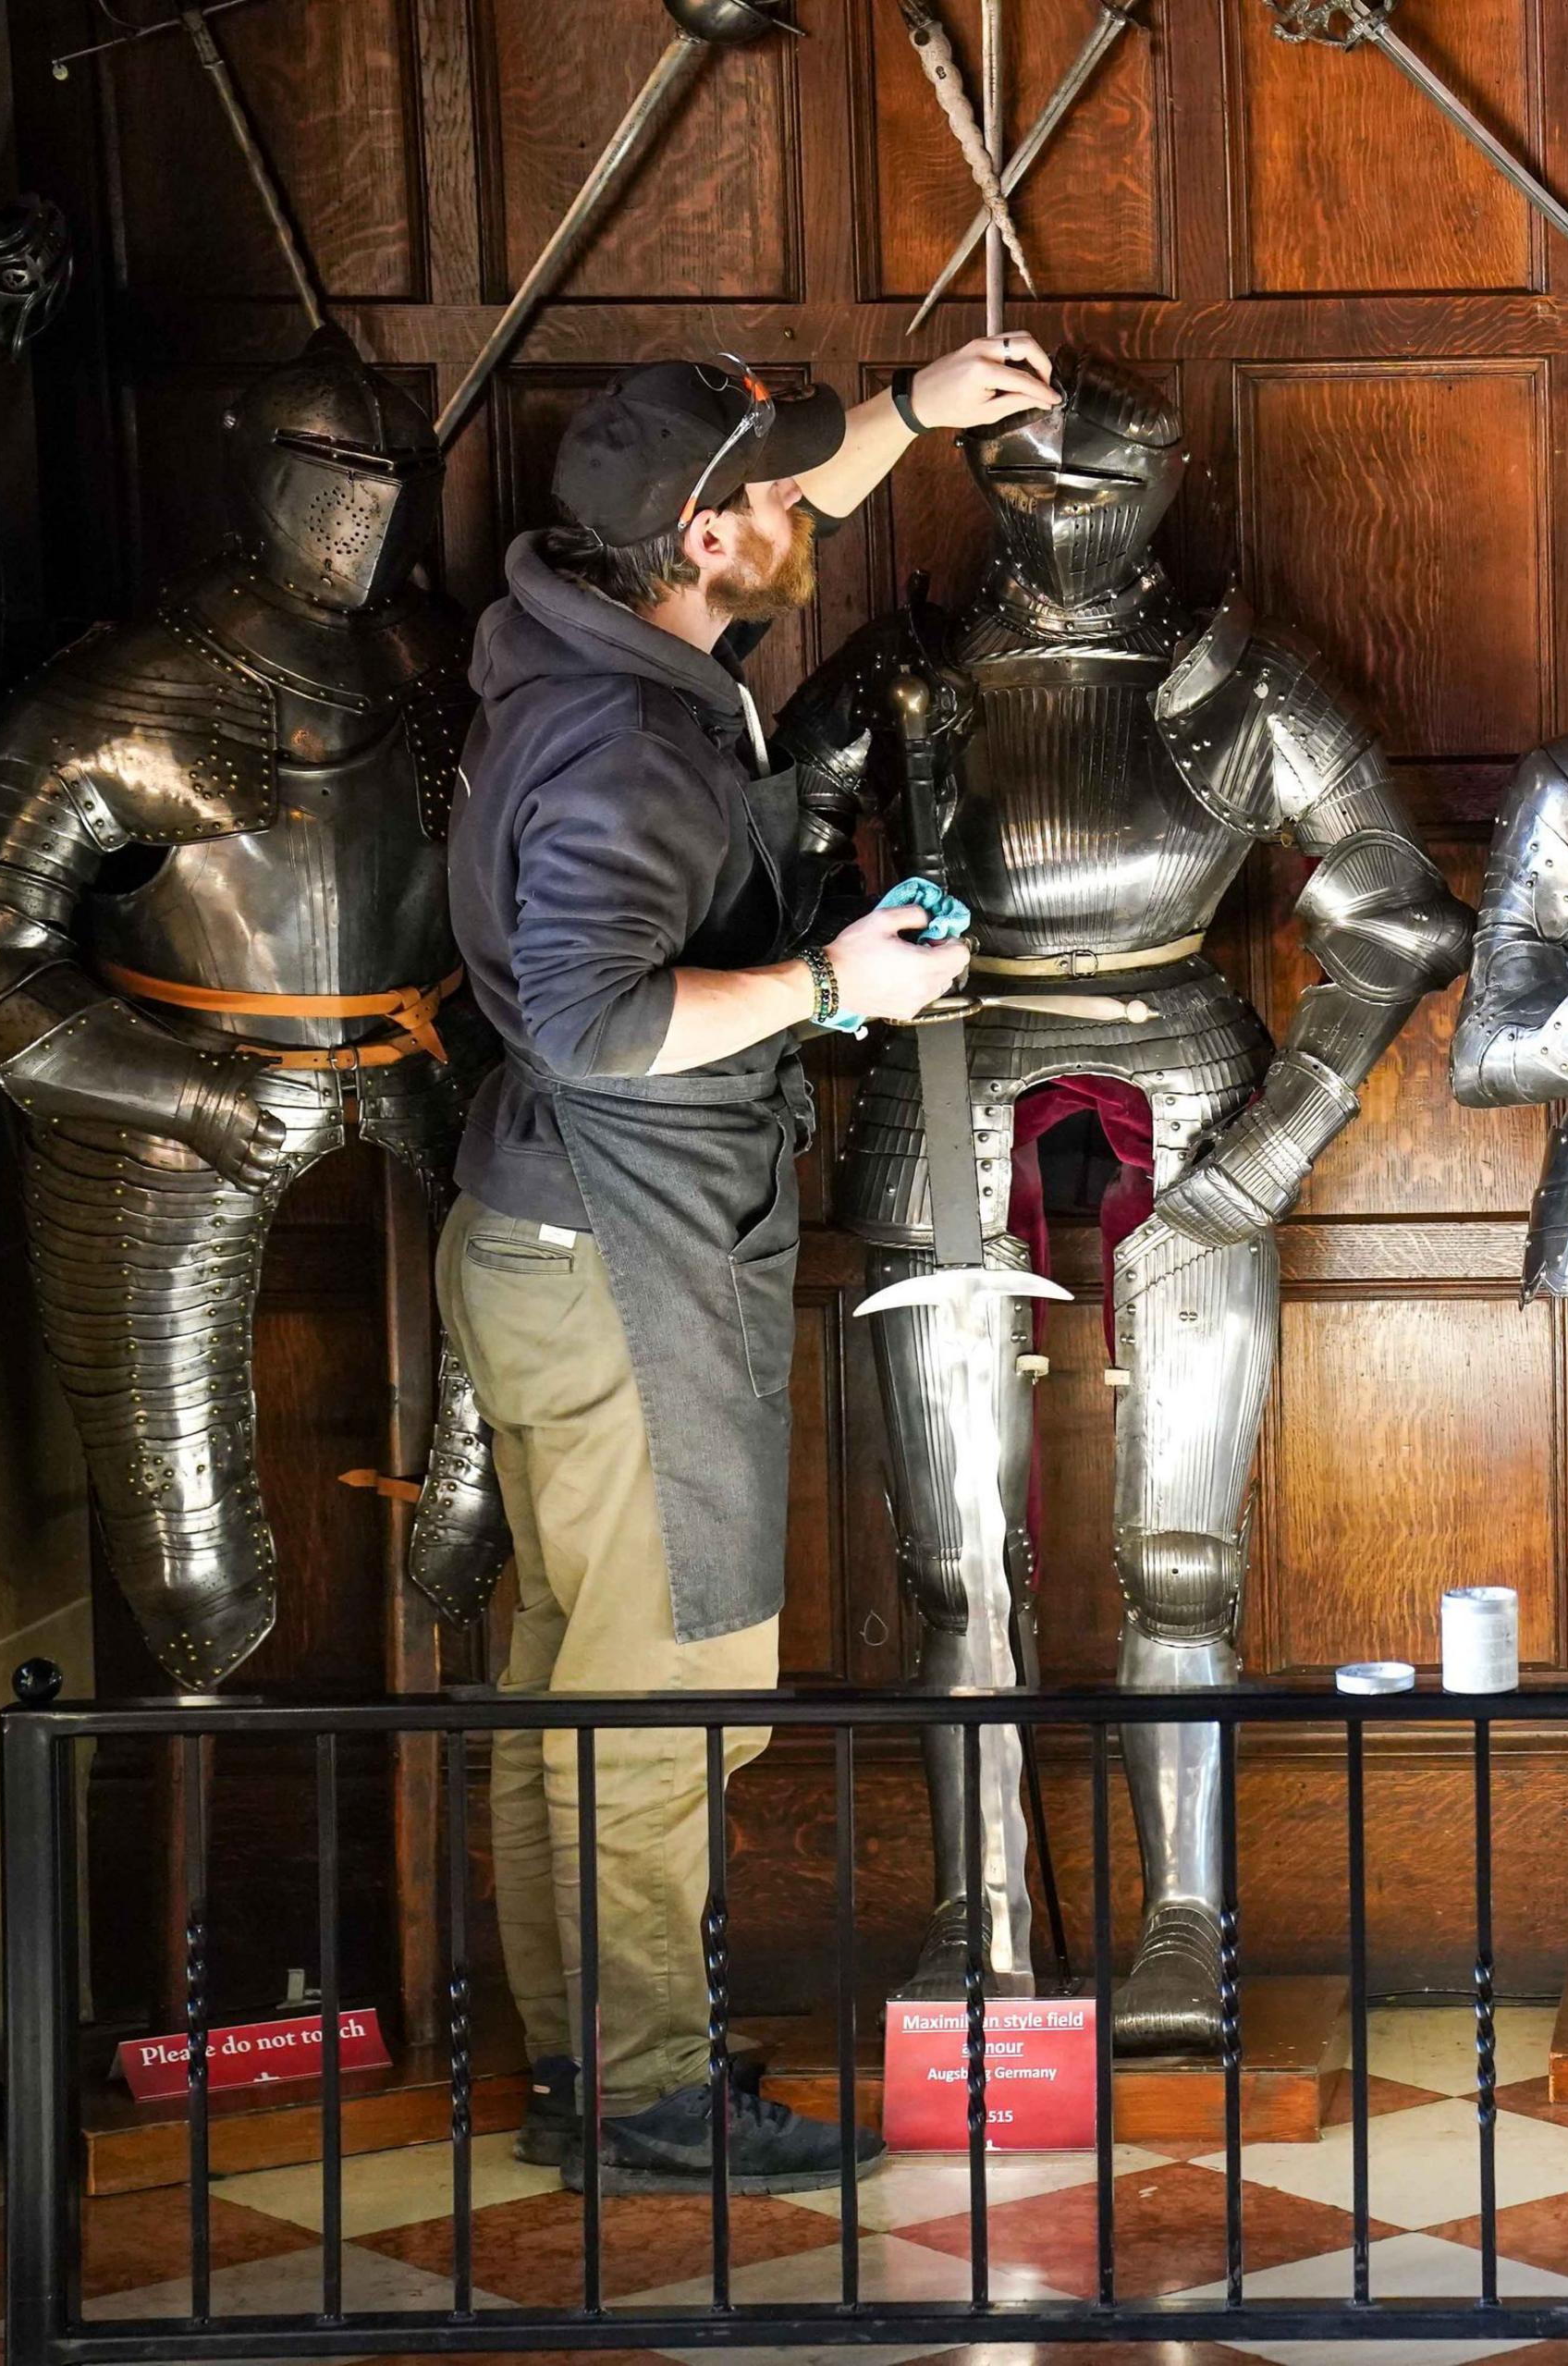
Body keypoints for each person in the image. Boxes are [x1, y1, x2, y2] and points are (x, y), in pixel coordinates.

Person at [445, 336, 1058, 2194]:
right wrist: (830, 986)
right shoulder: (629, 739)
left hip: (557, 1240)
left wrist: (915, 415)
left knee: (571, 1678)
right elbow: (585, 1013)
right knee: (663, 1686)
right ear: (701, 536)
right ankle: (642, 2089)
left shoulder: (594, 646)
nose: (810, 512)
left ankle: (584, 2061)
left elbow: (788, 500)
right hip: (629, 1257)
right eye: (780, 496)